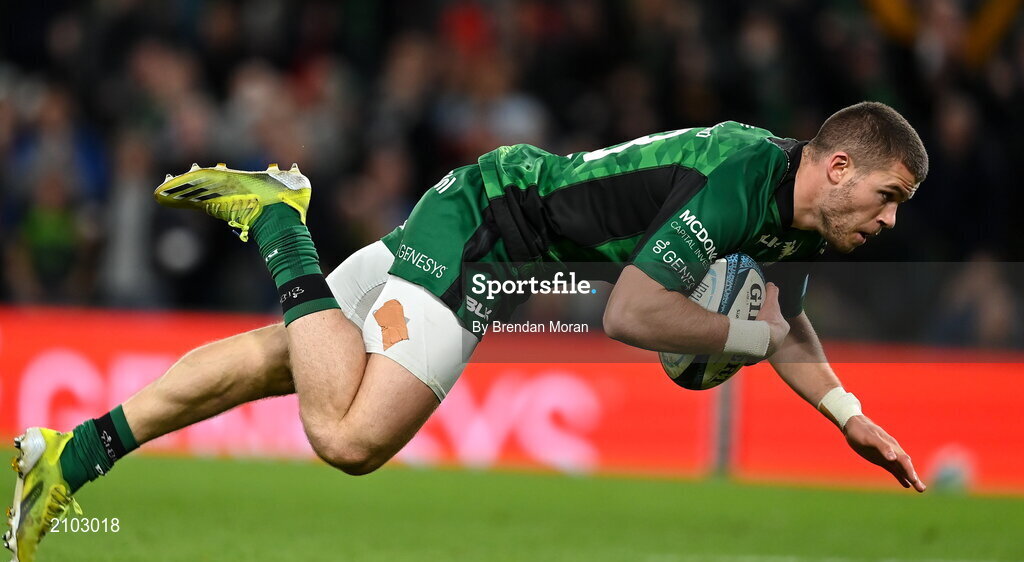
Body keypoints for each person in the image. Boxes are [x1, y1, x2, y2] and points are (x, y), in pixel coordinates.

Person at [5, 101, 928, 561]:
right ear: (839, 167)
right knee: (349, 438)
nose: (889, 221)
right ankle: (282, 221)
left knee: (283, 360)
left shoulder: (801, 226)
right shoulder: (737, 179)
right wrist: (745, 342)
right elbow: (633, 313)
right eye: (887, 197)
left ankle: (69, 457)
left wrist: (847, 413)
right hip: (493, 228)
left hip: (496, 221)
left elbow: (786, 324)